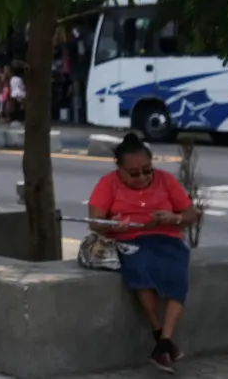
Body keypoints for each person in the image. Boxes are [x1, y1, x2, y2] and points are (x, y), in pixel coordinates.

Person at [87, 133, 200, 374]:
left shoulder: (166, 180)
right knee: (140, 270)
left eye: (147, 171)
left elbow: (191, 215)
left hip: (166, 238)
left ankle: (164, 340)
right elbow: (94, 222)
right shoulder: (108, 183)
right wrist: (112, 224)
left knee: (177, 273)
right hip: (129, 239)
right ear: (120, 169)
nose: (142, 178)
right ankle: (160, 335)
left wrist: (175, 218)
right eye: (134, 173)